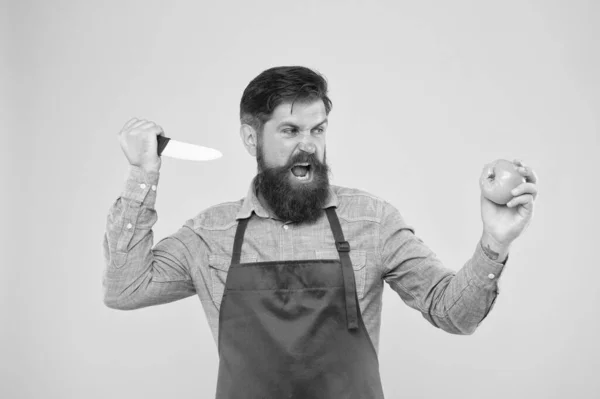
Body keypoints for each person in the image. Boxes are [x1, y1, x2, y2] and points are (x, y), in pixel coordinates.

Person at [103, 66, 538, 398]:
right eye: (290, 131)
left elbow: (453, 314)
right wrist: (143, 174)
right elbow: (125, 288)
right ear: (251, 138)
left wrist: (495, 242)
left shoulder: (371, 221)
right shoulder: (210, 234)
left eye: (318, 130)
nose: (307, 145)